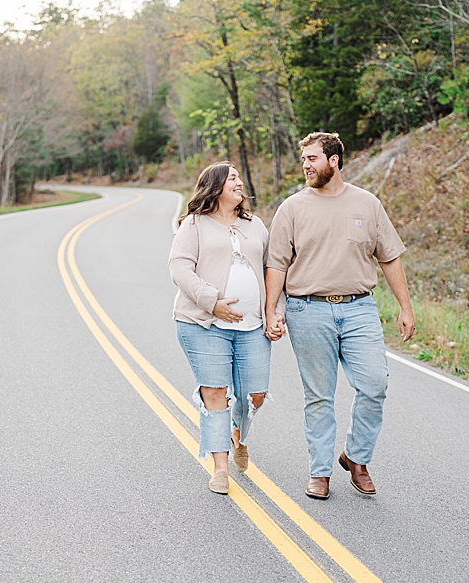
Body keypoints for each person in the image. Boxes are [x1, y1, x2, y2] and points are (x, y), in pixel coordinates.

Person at [264, 132, 415, 500]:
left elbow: (389, 257)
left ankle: (356, 457)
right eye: (304, 159)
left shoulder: (367, 203)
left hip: (359, 307)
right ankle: (320, 471)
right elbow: (276, 264)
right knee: (319, 396)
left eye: (313, 158)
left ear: (334, 161)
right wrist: (271, 309)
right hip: (307, 309)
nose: (306, 165)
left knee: (375, 383)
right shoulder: (292, 208)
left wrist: (405, 307)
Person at [169, 161, 285, 494]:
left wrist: (275, 312)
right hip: (203, 324)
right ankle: (220, 468)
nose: (239, 182)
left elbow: (273, 270)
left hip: (252, 327)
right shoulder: (194, 225)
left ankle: (237, 433)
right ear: (215, 186)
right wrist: (212, 300)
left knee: (254, 396)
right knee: (215, 392)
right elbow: (179, 268)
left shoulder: (255, 225)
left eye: (239, 177)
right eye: (232, 178)